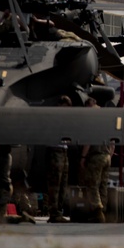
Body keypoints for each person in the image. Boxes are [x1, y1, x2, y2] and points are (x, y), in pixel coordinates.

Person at [80, 99, 113, 223]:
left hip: (96, 156)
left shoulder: (92, 121)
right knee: (103, 185)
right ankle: (103, 211)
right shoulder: (106, 120)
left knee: (92, 185)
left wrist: (83, 158)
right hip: (106, 156)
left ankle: (97, 212)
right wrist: (109, 155)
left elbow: (88, 142)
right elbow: (112, 143)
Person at [46, 95, 72, 223]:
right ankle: (54, 212)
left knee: (63, 183)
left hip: (64, 150)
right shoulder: (54, 118)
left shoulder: (65, 119)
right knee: (55, 183)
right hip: (55, 150)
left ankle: (58, 211)